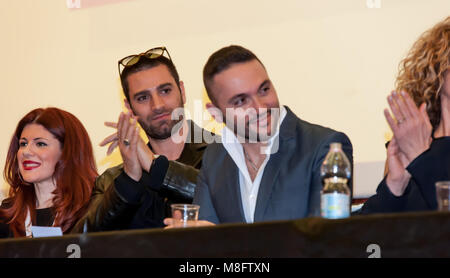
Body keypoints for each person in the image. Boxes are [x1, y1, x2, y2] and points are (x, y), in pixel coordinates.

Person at [166, 45, 353, 226]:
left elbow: (324, 241)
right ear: (215, 113)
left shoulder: (325, 147)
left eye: (264, 90)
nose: (260, 107)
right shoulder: (215, 156)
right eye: (241, 101)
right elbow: (205, 239)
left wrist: (222, 241)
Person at [72, 47, 212, 232]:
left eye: (165, 91)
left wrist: (156, 166)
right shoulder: (110, 181)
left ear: (182, 91)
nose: (157, 105)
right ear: (129, 107)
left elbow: (230, 198)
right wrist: (130, 178)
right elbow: (79, 243)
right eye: (143, 97)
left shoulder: (225, 153)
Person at [360, 16, 450, 213]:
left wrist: (420, 158)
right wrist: (395, 185)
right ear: (438, 68)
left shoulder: (415, 148)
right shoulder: (408, 142)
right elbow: (367, 237)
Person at [0, 108, 97, 237]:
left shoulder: (91, 210)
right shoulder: (7, 214)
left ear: (67, 151)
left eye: (40, 144)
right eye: (23, 144)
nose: (26, 151)